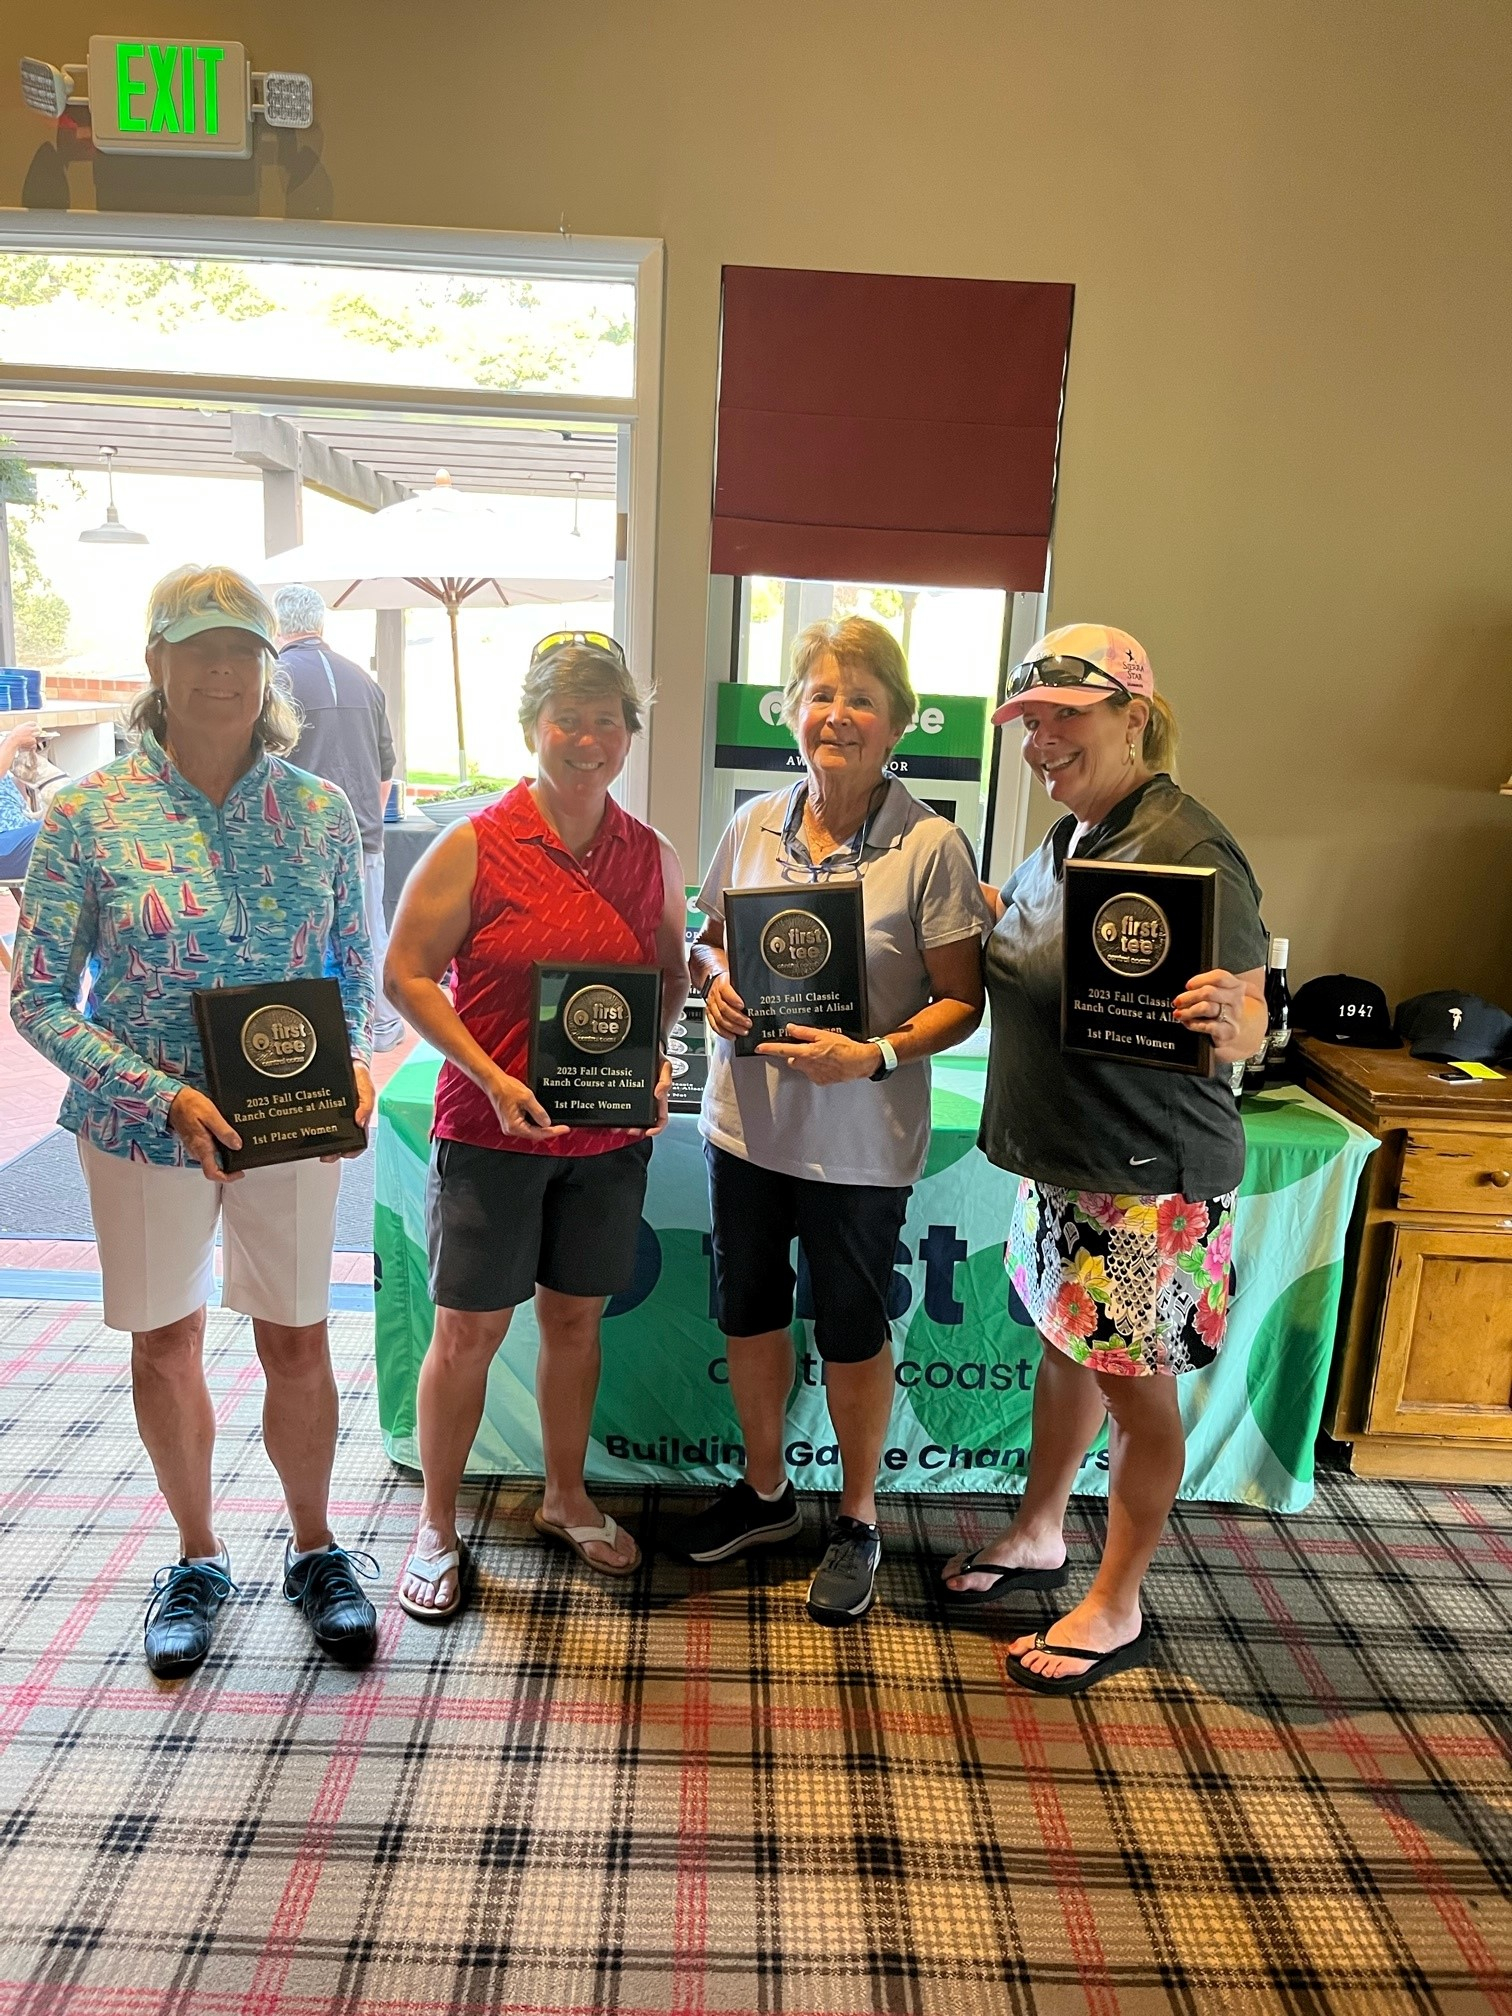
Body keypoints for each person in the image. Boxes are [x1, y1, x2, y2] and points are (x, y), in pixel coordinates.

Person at [9, 565, 381, 1680]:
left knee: (298, 1334)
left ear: (271, 669)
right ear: (156, 665)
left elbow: (351, 974)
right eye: (199, 648)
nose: (224, 670)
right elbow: (36, 998)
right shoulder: (84, 815)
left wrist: (354, 1062)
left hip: (286, 1121)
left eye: (244, 651)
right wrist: (160, 1093)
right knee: (168, 1339)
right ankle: (197, 1555)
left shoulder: (316, 812)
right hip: (142, 1126)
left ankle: (315, 1548)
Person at [940, 623, 1268, 1694]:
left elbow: (1246, 1005)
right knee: (1066, 1349)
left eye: (1065, 717)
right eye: (1031, 722)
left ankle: (1118, 1601)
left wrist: (1243, 1022)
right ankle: (1041, 1531)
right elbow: (1037, 944)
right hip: (1068, 1164)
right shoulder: (1074, 836)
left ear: (1135, 716)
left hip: (1143, 1186)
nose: (1041, 741)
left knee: (1135, 1389)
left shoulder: (1185, 845)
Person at [681, 616, 990, 1626]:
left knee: (853, 1327)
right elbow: (710, 941)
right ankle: (768, 1495)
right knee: (751, 1312)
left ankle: (857, 1518)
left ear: (897, 721)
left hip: (860, 1143)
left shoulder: (933, 844)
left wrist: (879, 1052)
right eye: (820, 693)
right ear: (792, 712)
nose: (838, 715)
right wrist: (717, 982)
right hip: (749, 1130)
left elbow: (962, 997)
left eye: (862, 697)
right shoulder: (754, 822)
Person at [384, 630, 688, 1619]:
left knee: (575, 1319)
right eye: (570, 717)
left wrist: (656, 1062)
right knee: (467, 1330)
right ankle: (436, 1522)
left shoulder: (651, 856)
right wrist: (486, 1070)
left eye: (608, 719)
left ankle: (564, 1497)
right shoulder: (476, 840)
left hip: (605, 1143)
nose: (588, 737)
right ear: (533, 728)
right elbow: (406, 975)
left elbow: (669, 982)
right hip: (488, 1133)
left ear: (630, 734)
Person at [273, 583, 406, 1050]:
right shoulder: (363, 679)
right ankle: (384, 1025)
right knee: (369, 932)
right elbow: (386, 767)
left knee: (300, 941)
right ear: (320, 624)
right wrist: (364, 816)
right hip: (365, 833)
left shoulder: (274, 678)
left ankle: (313, 1036)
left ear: (277, 626)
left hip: (295, 838)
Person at [0, 723, 45, 886]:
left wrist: (24, 754)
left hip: (17, 838)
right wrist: (13, 740)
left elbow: (19, 798)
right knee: (69, 820)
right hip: (6, 847)